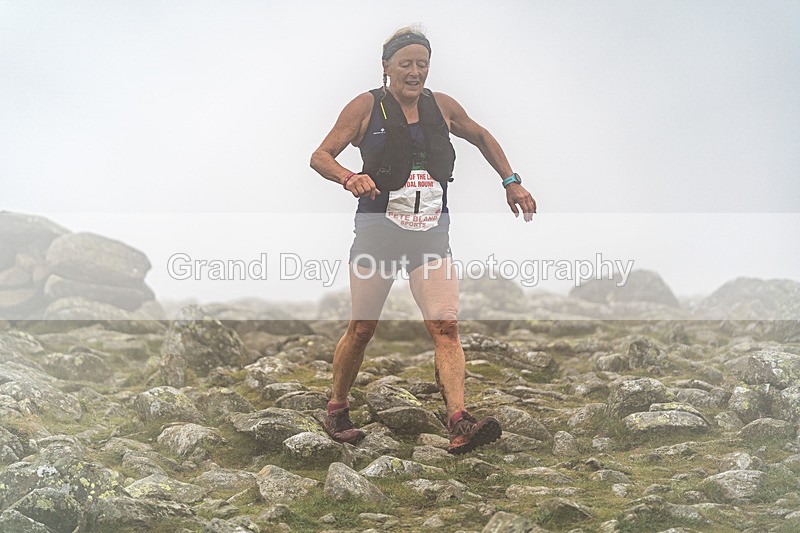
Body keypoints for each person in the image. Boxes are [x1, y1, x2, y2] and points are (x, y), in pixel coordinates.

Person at [309, 26, 537, 454]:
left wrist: (510, 181)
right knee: (361, 328)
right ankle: (337, 407)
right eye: (405, 64)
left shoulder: (443, 106)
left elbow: (482, 135)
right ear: (386, 67)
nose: (415, 72)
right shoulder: (365, 107)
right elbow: (320, 156)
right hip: (378, 232)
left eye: (422, 64)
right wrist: (348, 177)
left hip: (431, 232)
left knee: (446, 326)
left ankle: (459, 420)